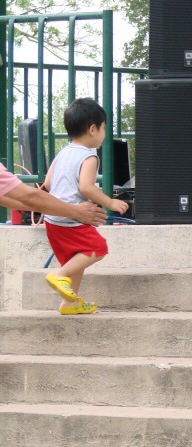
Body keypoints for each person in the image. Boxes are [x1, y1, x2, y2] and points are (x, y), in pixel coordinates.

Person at [42, 98, 128, 315]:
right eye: (104, 128)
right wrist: (110, 202)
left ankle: (69, 304)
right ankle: (58, 275)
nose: (104, 133)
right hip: (73, 220)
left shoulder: (63, 152)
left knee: (76, 260)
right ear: (92, 129)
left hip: (53, 219)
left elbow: (49, 183)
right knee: (98, 248)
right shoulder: (89, 156)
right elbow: (86, 187)